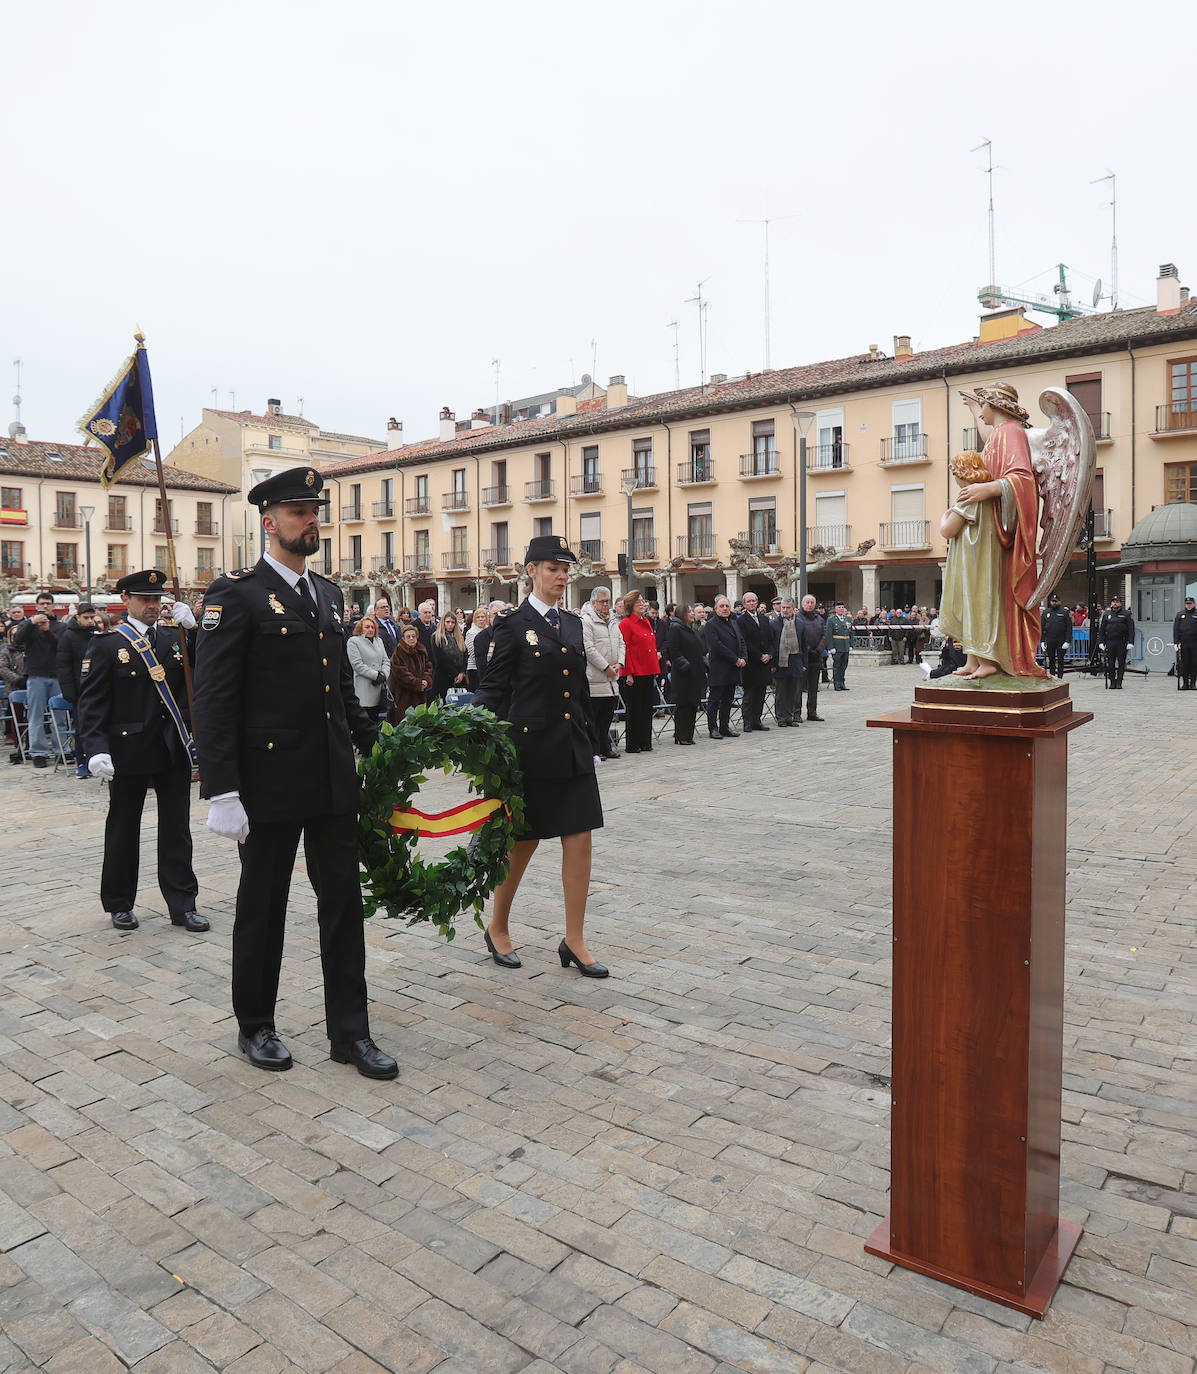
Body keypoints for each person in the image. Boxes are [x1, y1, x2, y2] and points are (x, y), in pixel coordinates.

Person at [193, 469, 395, 1080]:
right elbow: (215, 699)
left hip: (331, 779)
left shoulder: (329, 596)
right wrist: (223, 789)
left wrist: (377, 746)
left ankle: (350, 1034)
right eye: (297, 510)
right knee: (264, 906)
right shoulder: (237, 595)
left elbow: (337, 688)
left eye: (314, 510)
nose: (310, 520)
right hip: (269, 782)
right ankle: (255, 1024)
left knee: (342, 906)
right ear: (267, 520)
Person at [474, 535, 607, 977]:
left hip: (571, 746)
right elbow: (493, 691)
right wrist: (478, 741)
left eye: (566, 569)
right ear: (531, 571)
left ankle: (574, 939)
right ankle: (497, 926)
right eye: (553, 568)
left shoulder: (572, 623)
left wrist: (593, 742)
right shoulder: (511, 625)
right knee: (523, 842)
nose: (562, 576)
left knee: (581, 838)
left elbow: (581, 688)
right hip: (529, 749)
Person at [75, 570, 204, 933]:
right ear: (126, 600)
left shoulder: (174, 636)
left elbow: (205, 669)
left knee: (177, 828)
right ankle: (119, 902)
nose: (152, 605)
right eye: (145, 599)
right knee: (123, 826)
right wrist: (95, 749)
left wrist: (194, 632)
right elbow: (92, 703)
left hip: (172, 746)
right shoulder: (106, 643)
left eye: (157, 599)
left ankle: (182, 904)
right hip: (127, 747)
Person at [945, 386, 1049, 679]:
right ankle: (978, 659)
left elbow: (1022, 480)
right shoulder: (1000, 435)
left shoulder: (1012, 432)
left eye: (982, 405)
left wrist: (987, 488)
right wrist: (970, 408)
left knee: (985, 597)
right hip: (983, 533)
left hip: (995, 536)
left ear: (993, 404)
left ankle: (993, 658)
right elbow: (988, 440)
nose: (980, 411)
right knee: (977, 596)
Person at [13, 591, 63, 768]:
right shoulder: (29, 625)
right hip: (35, 676)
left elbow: (61, 647)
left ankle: (61, 750)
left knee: (60, 717)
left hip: (56, 676)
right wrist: (30, 623)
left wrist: (48, 631)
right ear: (36, 606)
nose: (45, 606)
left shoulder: (59, 626)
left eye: (48, 603)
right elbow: (17, 641)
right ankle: (38, 753)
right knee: (36, 717)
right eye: (42, 603)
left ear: (52, 606)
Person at [580, 586, 624, 760]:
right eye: (602, 602)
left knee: (607, 716)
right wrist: (606, 667)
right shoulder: (586, 620)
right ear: (593, 603)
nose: (606, 605)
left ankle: (605, 746)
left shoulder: (614, 620)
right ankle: (594, 749)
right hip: (596, 677)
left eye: (608, 601)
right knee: (594, 718)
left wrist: (620, 663)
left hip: (613, 678)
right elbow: (588, 648)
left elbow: (622, 643)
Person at [56, 602, 98, 776]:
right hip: (79, 689)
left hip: (97, 687)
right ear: (77, 617)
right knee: (81, 728)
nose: (89, 621)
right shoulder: (68, 636)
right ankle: (82, 762)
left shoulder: (95, 634)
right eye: (86, 618)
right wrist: (69, 692)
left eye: (91, 617)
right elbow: (63, 666)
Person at [618, 590, 660, 754]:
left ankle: (645, 741)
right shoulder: (626, 624)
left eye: (643, 602)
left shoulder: (646, 621)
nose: (643, 605)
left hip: (648, 669)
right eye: (639, 602)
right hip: (634, 672)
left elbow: (650, 646)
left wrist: (655, 667)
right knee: (634, 709)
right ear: (631, 606)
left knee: (646, 708)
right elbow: (625, 649)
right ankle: (633, 743)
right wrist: (628, 672)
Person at [705, 595, 746, 739]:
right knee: (715, 700)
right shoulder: (711, 624)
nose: (724, 609)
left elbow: (741, 641)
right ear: (716, 609)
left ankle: (724, 726)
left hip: (733, 669)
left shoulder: (733, 622)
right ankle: (713, 728)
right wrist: (735, 659)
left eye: (727, 606)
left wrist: (743, 658)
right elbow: (716, 646)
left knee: (728, 700)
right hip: (719, 668)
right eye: (721, 606)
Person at [666, 604, 705, 745]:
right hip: (683, 674)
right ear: (682, 613)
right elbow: (674, 651)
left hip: (695, 673)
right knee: (683, 705)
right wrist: (685, 664)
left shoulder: (692, 628)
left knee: (693, 704)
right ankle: (681, 735)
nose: (692, 614)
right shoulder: (675, 628)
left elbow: (698, 647)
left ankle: (689, 735)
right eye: (689, 611)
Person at [736, 592, 772, 731]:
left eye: (754, 601)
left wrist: (769, 654)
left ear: (757, 603)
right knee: (749, 694)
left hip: (764, 663)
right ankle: (747, 722)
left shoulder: (764, 619)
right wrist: (759, 655)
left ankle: (757, 720)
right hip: (751, 663)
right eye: (748, 601)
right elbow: (744, 642)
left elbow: (769, 638)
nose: (751, 603)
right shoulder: (741, 621)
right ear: (744, 604)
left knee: (761, 693)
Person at [770, 599, 805, 726]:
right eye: (783, 607)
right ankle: (780, 717)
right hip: (780, 662)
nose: (785, 610)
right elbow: (771, 644)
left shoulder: (800, 624)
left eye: (788, 607)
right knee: (781, 692)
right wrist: (772, 664)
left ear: (793, 608)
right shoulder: (774, 624)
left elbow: (803, 645)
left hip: (795, 661)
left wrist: (804, 663)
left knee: (792, 692)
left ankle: (789, 717)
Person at [387, 622, 433, 720]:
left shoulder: (421, 650)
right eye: (408, 637)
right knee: (405, 723)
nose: (411, 639)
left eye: (413, 636)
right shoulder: (399, 652)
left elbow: (428, 666)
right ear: (403, 638)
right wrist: (418, 683)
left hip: (420, 694)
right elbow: (401, 674)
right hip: (404, 695)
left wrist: (425, 680)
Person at [346, 615, 390, 716]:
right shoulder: (354, 641)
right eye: (367, 627)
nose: (370, 629)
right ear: (361, 628)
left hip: (379, 688)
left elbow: (386, 661)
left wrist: (384, 674)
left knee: (377, 722)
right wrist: (376, 675)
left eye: (372, 627)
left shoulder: (379, 641)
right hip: (364, 688)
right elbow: (357, 665)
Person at [798, 594, 829, 721]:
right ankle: (796, 713)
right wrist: (808, 650)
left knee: (813, 688)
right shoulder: (797, 618)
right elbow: (799, 637)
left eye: (812, 602)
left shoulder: (819, 618)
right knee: (799, 688)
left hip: (816, 657)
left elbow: (824, 636)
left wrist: (819, 650)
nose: (810, 604)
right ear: (802, 604)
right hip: (803, 658)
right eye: (807, 602)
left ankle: (812, 712)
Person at [1, 624, 27, 762]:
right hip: (14, 688)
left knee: (30, 718)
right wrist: (17, 680)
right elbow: (3, 669)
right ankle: (18, 744)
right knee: (16, 718)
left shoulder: (29, 649)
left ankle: (29, 744)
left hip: (30, 686)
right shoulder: (6, 651)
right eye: (13, 635)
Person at [1099, 594, 1135, 689]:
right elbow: (1102, 629)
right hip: (1110, 641)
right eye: (1113, 602)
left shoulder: (1126, 614)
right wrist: (1101, 642)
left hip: (1122, 642)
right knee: (1110, 663)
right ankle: (1112, 681)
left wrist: (1131, 642)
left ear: (1120, 603)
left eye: (1117, 602)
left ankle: (1119, 681)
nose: (1115, 603)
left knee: (1121, 663)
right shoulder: (1107, 614)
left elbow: (1131, 629)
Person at [430, 611, 468, 700]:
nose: (450, 625)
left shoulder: (459, 637)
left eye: (453, 622)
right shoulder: (436, 637)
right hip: (443, 677)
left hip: (460, 677)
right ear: (443, 622)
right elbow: (440, 659)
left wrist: (462, 672)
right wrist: (455, 674)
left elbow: (465, 655)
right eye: (448, 622)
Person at [1041, 593, 1074, 679]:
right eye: (1053, 601)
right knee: (1051, 660)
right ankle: (1052, 676)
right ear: (1050, 602)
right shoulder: (1046, 612)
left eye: (1056, 601)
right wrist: (1042, 641)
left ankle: (1060, 677)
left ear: (1059, 602)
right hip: (1050, 639)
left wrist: (1068, 641)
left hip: (1061, 640)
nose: (1054, 603)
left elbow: (1069, 628)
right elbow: (1042, 628)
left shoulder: (1064, 612)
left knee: (1060, 660)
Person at [826, 601, 852, 690]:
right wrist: (831, 647)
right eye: (839, 607)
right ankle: (836, 684)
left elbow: (851, 633)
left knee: (844, 665)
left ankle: (842, 683)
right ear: (835, 609)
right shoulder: (831, 620)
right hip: (837, 646)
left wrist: (850, 644)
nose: (841, 609)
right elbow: (829, 634)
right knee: (837, 665)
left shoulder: (847, 619)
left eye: (842, 607)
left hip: (845, 646)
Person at [1174, 594, 1197, 690]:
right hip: (1184, 643)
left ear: (1194, 604)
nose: (1188, 605)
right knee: (1185, 663)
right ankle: (1185, 684)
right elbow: (1176, 629)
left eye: (1190, 604)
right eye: (1187, 604)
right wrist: (1176, 643)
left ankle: (1193, 683)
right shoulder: (1180, 614)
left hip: (1195, 643)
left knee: (1194, 663)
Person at [464, 606, 489, 690]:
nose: (481, 619)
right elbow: (472, 652)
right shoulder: (471, 633)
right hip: (474, 668)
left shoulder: (489, 631)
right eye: (478, 617)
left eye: (483, 617)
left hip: (487, 668)